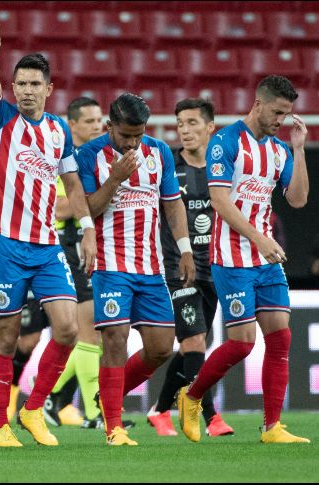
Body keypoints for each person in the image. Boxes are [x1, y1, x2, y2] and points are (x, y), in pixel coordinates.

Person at [177, 75, 311, 444]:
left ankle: (271, 427)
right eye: (277, 112)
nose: (281, 120)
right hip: (231, 257)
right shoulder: (225, 141)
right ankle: (191, 396)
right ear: (258, 104)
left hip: (266, 261)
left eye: (287, 114)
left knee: (280, 338)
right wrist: (259, 239)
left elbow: (298, 199)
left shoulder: (279, 150)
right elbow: (220, 201)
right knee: (242, 343)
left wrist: (298, 150)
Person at [0, 26, 96, 448]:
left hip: (47, 245)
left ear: (49, 88)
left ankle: (33, 410)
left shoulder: (58, 132)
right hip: (6, 245)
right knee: (7, 337)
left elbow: (73, 182)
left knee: (67, 329)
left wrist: (86, 230)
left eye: (34, 84)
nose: (27, 91)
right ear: (12, 87)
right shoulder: (1, 117)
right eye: (21, 84)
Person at [76, 93, 195, 446]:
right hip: (110, 265)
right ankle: (113, 427)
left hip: (150, 265)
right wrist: (114, 179)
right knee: (114, 340)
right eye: (125, 135)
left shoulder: (158, 152)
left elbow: (172, 206)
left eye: (138, 135)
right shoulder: (87, 156)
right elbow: (88, 211)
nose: (132, 142)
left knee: (161, 348)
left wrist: (185, 249)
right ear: (108, 126)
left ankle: (107, 395)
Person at [8, 97, 112, 430]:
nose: (99, 126)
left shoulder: (96, 159)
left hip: (74, 248)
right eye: (91, 121)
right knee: (30, 339)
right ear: (73, 125)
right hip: (49, 248)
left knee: (81, 330)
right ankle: (39, 401)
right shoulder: (58, 158)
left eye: (101, 120)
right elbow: (61, 207)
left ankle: (53, 401)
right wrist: (108, 190)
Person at [147, 98, 234, 438]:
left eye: (192, 123)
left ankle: (159, 408)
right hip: (177, 267)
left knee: (192, 347)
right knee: (195, 341)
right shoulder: (167, 166)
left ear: (211, 127)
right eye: (180, 123)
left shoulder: (224, 169)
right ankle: (210, 416)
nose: (184, 130)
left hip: (215, 269)